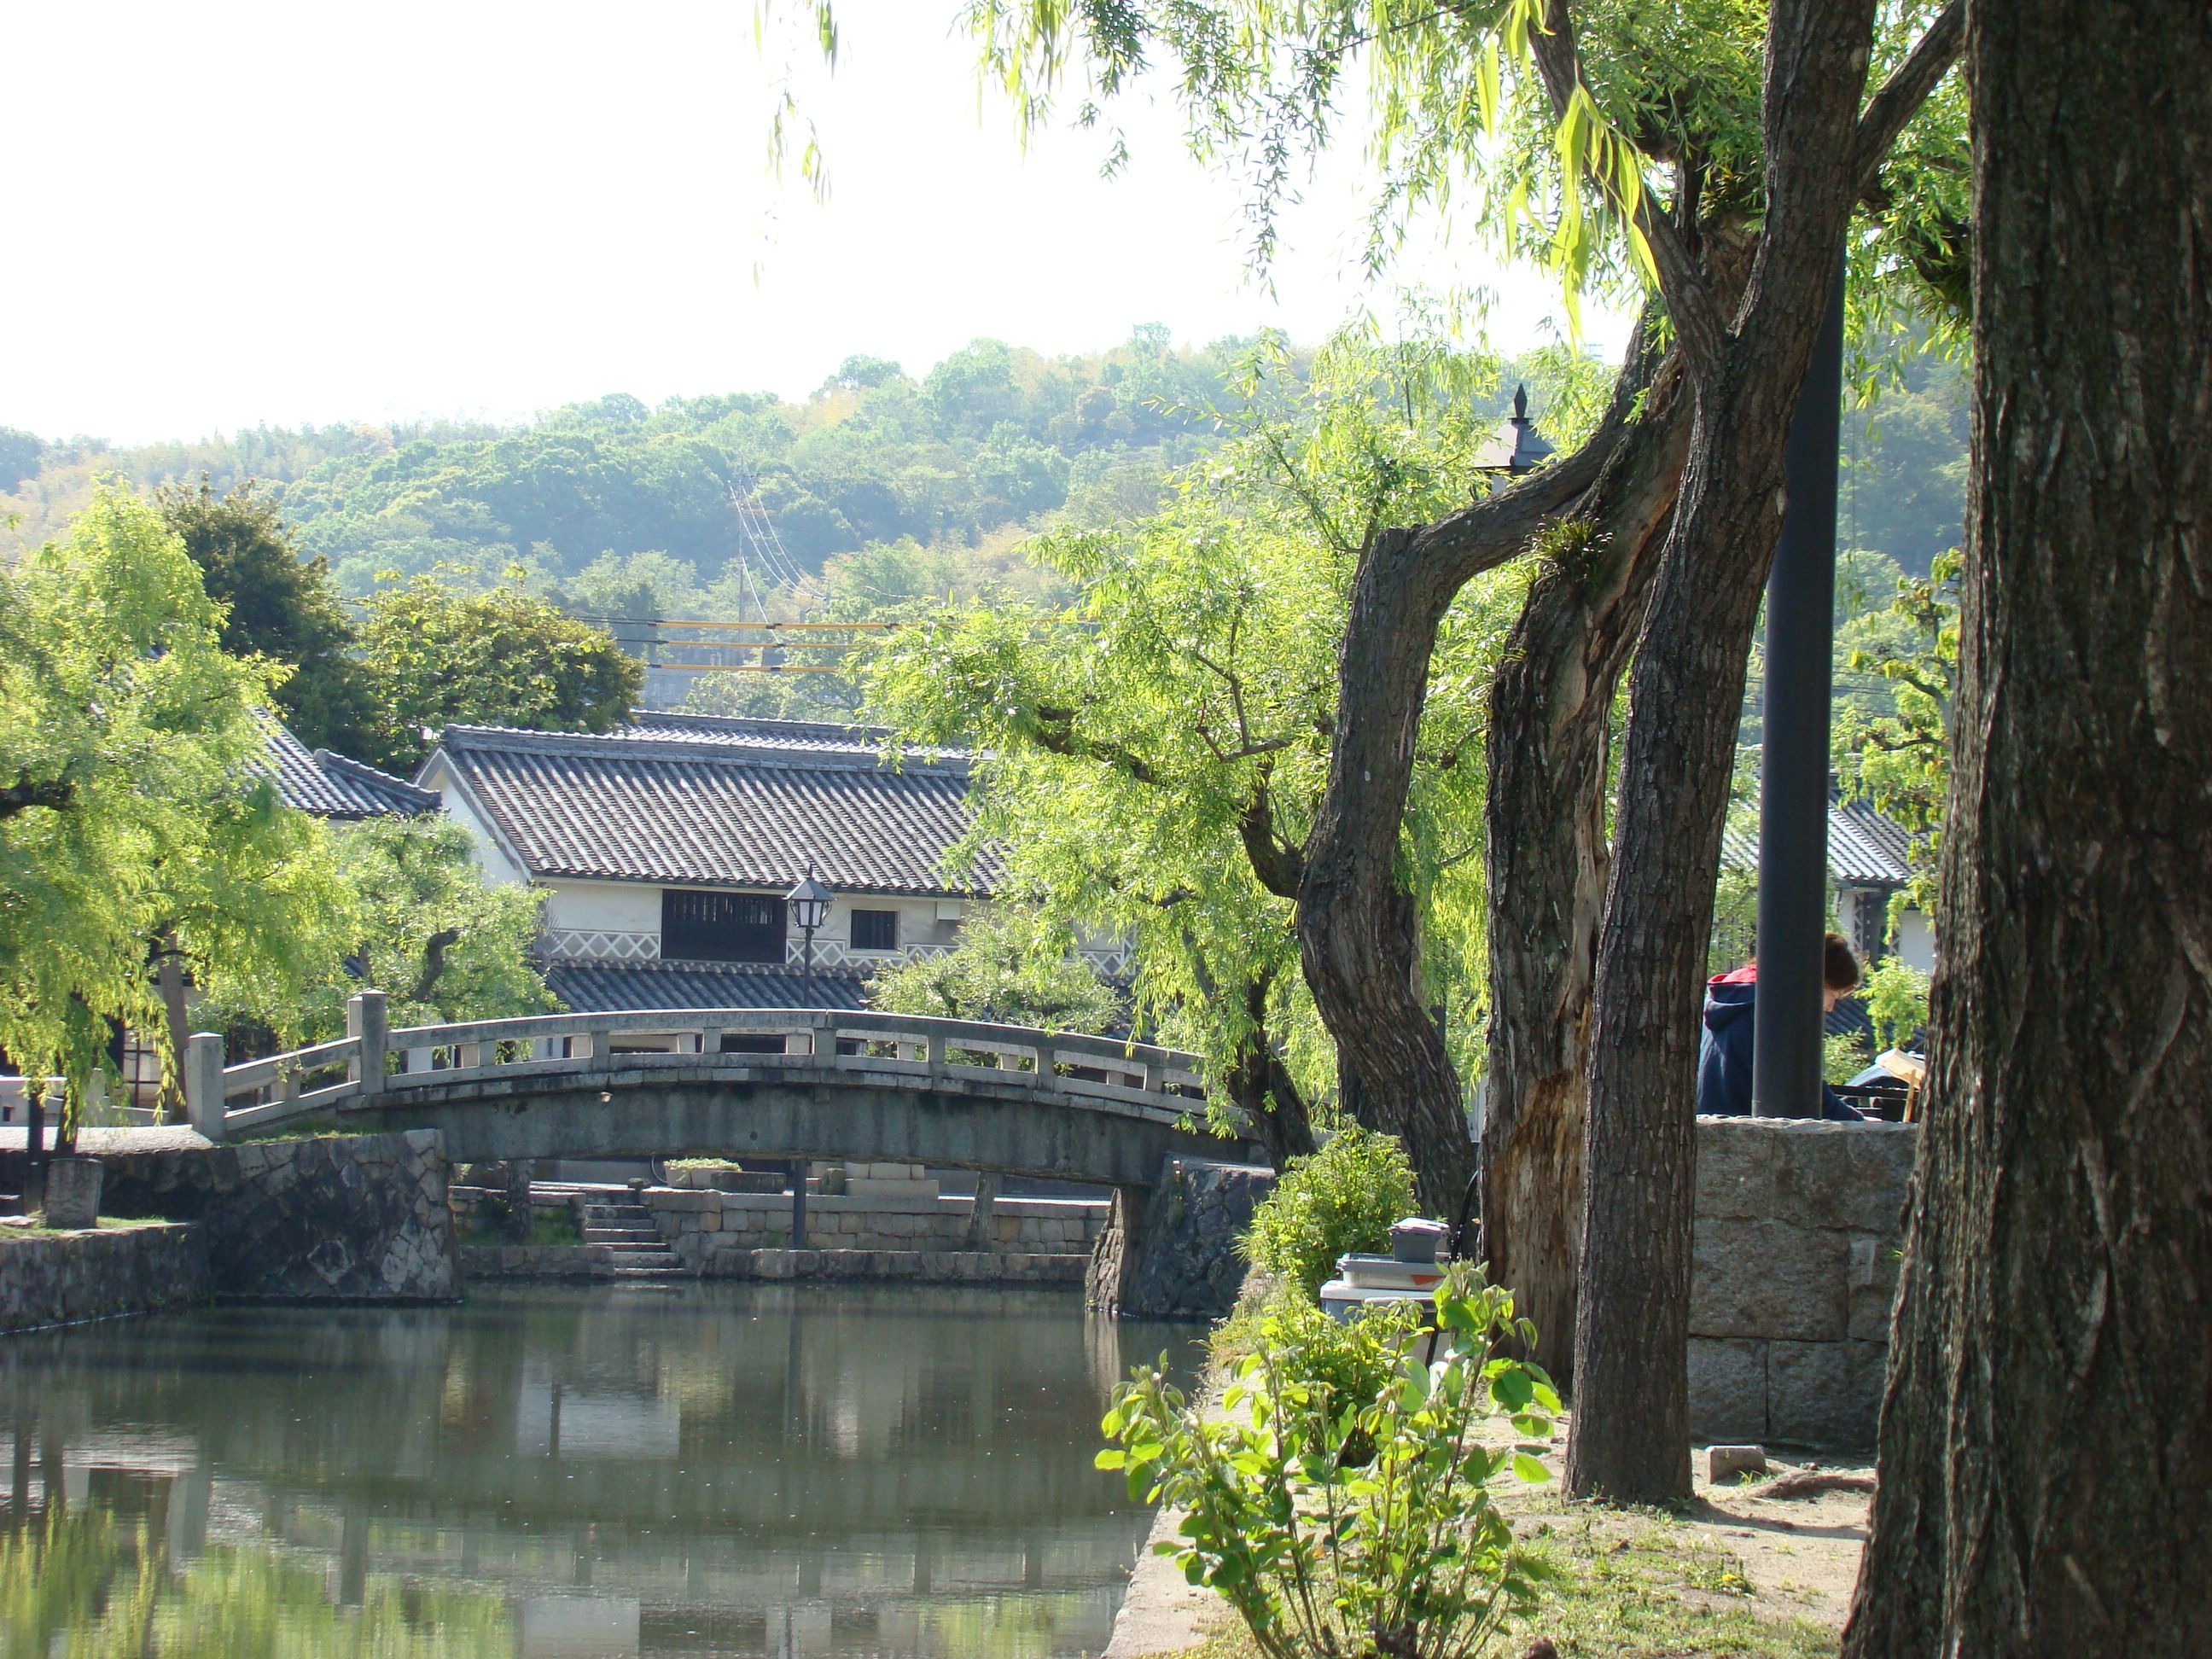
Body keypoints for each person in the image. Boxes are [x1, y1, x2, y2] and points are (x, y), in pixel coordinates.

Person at [1697, 933, 1867, 1120]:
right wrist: (1856, 1119)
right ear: (1815, 982)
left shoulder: (1723, 998)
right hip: (1746, 1129)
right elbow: (1803, 1093)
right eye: (1833, 995)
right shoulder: (1775, 1015)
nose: (1830, 1008)